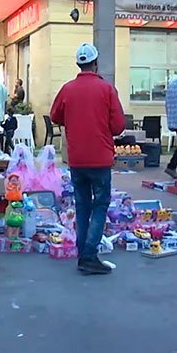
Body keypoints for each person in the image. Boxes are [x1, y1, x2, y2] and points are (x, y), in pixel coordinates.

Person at [50, 43, 125, 275]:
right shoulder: (107, 89)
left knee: (82, 206)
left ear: (78, 64)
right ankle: (90, 255)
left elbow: (55, 116)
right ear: (96, 63)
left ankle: (83, 255)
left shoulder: (67, 89)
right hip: (100, 157)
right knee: (100, 204)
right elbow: (119, 126)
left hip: (76, 159)